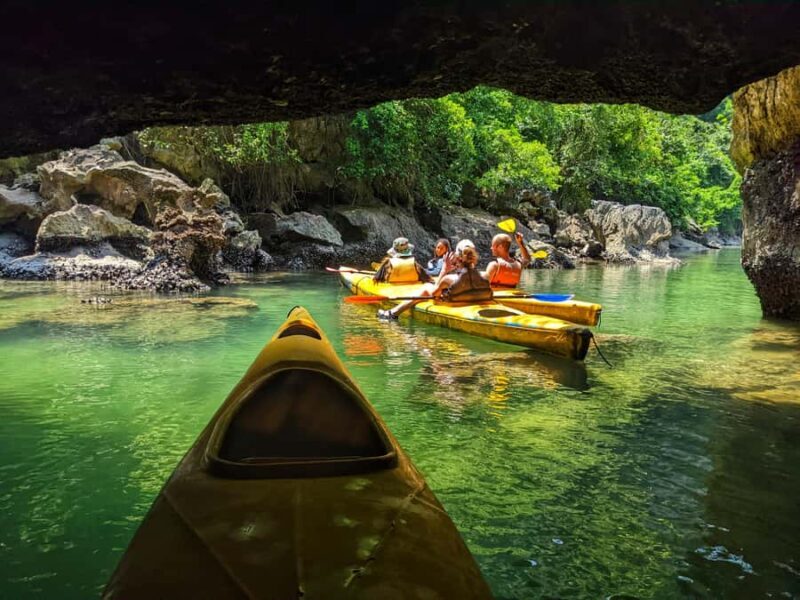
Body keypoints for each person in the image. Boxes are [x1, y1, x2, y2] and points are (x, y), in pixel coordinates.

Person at [377, 239, 492, 320]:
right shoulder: (485, 275)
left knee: (427, 288)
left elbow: (434, 293)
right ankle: (393, 313)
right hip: (477, 301)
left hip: (454, 303)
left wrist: (444, 270)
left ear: (457, 257)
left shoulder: (449, 279)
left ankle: (393, 313)